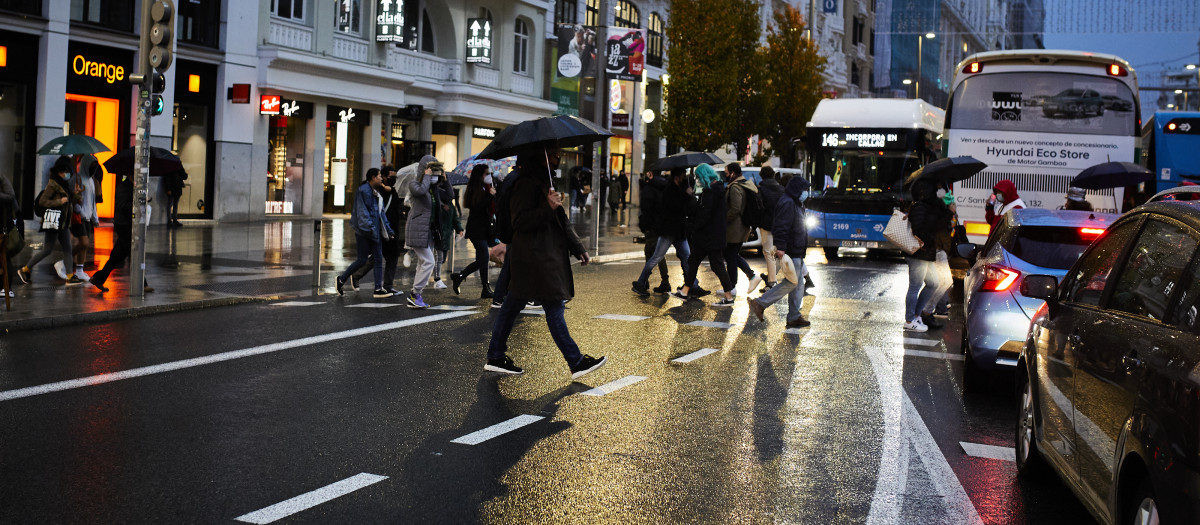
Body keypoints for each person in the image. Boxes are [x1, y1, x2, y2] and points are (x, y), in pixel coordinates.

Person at [484, 145, 605, 379]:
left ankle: (496, 356)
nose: (558, 156)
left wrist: (577, 247)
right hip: (534, 257)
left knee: (513, 306)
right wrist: (547, 207)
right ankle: (575, 361)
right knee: (553, 306)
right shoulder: (525, 183)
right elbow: (520, 222)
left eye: (558, 153)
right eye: (552, 153)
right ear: (539, 155)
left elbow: (561, 219)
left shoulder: (544, 181)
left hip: (540, 256)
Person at [747, 176, 812, 327]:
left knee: (798, 284)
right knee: (791, 283)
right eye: (805, 190)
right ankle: (760, 303)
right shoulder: (788, 203)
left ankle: (794, 316)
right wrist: (781, 247)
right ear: (797, 189)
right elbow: (781, 226)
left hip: (796, 249)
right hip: (791, 249)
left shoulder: (795, 202)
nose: (806, 193)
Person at [673, 163, 734, 306]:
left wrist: (693, 226)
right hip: (711, 236)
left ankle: (729, 296)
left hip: (708, 236)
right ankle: (685, 291)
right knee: (693, 261)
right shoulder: (717, 190)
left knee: (716, 265)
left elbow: (705, 215)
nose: (698, 179)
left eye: (698, 177)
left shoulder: (710, 193)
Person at [19, 157, 82, 285]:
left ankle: (70, 276)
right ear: (59, 172)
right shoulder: (52, 184)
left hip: (63, 223)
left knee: (67, 249)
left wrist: (75, 194)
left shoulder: (64, 185)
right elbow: (43, 202)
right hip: (53, 222)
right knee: (47, 249)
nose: (67, 174)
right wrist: (60, 201)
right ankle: (25, 269)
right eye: (65, 171)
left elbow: (69, 202)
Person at [336, 168, 394, 298]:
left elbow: (381, 213)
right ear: (373, 177)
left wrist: (388, 230)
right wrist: (371, 228)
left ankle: (378, 289)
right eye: (379, 176)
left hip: (375, 231)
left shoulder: (377, 193)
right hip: (364, 232)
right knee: (362, 260)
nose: (381, 179)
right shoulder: (363, 191)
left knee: (378, 259)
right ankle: (341, 279)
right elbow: (362, 213)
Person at [90, 173, 153, 293]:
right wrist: (139, 202)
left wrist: (145, 199)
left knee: (117, 256)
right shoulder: (123, 188)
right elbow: (124, 206)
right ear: (131, 174)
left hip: (128, 224)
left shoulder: (134, 187)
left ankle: (98, 278)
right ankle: (142, 284)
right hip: (124, 225)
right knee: (133, 254)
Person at [904, 178, 953, 332]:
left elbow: (938, 224)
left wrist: (948, 212)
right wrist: (930, 239)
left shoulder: (932, 206)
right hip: (919, 253)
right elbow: (920, 228)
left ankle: (917, 315)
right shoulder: (919, 206)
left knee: (933, 283)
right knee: (915, 286)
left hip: (927, 253)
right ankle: (909, 319)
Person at [351, 165, 406, 295]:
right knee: (376, 258)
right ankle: (357, 275)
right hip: (380, 229)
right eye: (390, 176)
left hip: (392, 229)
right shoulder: (376, 191)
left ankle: (388, 285)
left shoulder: (394, 191)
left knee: (392, 257)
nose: (393, 179)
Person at [452, 164, 496, 298]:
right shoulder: (475, 188)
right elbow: (477, 207)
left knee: (481, 259)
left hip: (484, 228)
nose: (488, 175)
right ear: (480, 175)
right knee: (484, 257)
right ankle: (485, 287)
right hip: (476, 229)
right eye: (486, 173)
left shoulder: (486, 187)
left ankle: (460, 276)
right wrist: (489, 196)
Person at [404, 155, 440, 308]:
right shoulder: (414, 184)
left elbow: (448, 196)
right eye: (431, 168)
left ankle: (416, 295)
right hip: (417, 227)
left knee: (422, 262)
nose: (433, 172)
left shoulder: (432, 187)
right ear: (424, 168)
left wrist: (442, 180)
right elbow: (420, 191)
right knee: (429, 261)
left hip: (428, 230)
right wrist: (426, 177)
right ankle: (415, 293)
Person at [631, 168, 674, 295]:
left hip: (653, 225)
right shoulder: (666, 186)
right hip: (662, 224)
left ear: (650, 174)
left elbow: (647, 208)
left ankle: (649, 282)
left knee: (655, 254)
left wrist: (644, 225)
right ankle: (648, 281)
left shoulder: (650, 188)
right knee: (653, 252)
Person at [722, 162, 758, 294]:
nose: (725, 176)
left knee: (730, 255)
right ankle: (733, 285)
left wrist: (724, 220)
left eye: (726, 173)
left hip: (735, 228)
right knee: (731, 255)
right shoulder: (744, 184)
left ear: (732, 173)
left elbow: (735, 208)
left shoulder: (735, 187)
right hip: (739, 227)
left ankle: (747, 278)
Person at [753, 166, 785, 291]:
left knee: (768, 252)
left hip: (766, 224)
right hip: (780, 224)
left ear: (761, 176)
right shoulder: (781, 189)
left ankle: (772, 282)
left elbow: (758, 207)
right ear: (773, 175)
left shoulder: (760, 189)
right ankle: (774, 280)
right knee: (779, 252)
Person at [430, 170, 463, 290]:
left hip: (446, 232)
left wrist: (459, 228)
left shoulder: (449, 201)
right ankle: (436, 278)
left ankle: (435, 276)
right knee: (436, 257)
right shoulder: (434, 193)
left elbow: (453, 214)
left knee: (442, 257)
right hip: (436, 230)